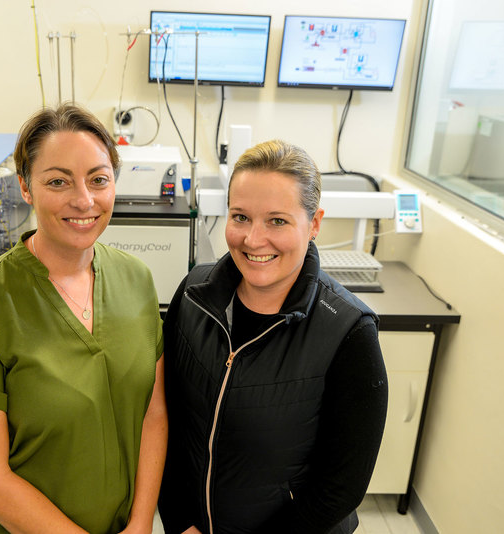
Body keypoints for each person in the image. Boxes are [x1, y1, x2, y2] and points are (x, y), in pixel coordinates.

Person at [0, 103, 167, 534]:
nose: (84, 200)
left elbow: (152, 414)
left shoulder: (136, 280)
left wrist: (139, 523)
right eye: (58, 181)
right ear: (25, 187)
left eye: (99, 179)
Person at [158, 140, 388, 534]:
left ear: (314, 223)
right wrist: (181, 521)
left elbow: (339, 488)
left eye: (277, 221)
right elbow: (168, 421)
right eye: (241, 217)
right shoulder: (194, 296)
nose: (252, 239)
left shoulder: (349, 332)